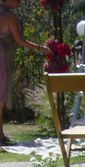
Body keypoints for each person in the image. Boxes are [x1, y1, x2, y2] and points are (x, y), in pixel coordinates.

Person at [0, 0, 48, 145]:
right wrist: (41, 48)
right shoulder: (8, 16)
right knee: (0, 97)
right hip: (1, 57)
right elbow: (19, 40)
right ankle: (0, 136)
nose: (19, 1)